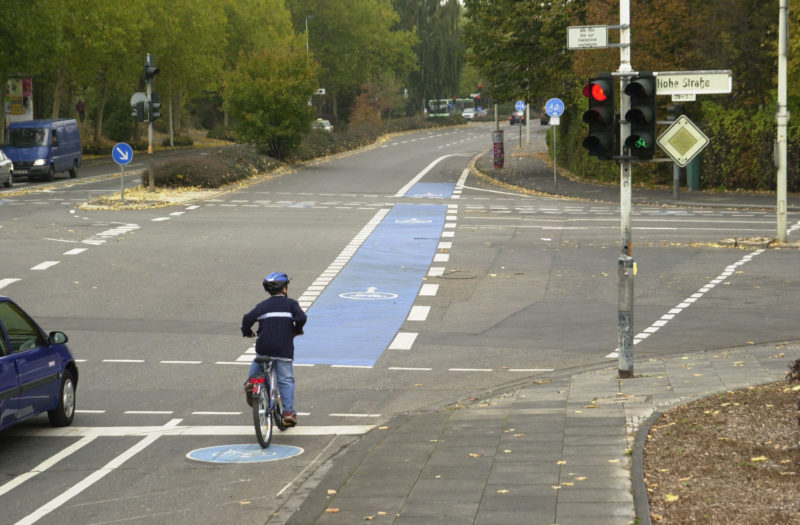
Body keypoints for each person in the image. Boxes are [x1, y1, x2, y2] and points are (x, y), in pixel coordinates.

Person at [241, 272, 306, 426]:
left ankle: (251, 382)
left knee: (259, 360)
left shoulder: (262, 306)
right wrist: (297, 329)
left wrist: (247, 332)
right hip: (283, 348)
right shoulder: (291, 304)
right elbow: (301, 318)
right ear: (284, 289)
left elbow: (247, 319)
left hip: (264, 347)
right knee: (286, 379)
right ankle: (288, 412)